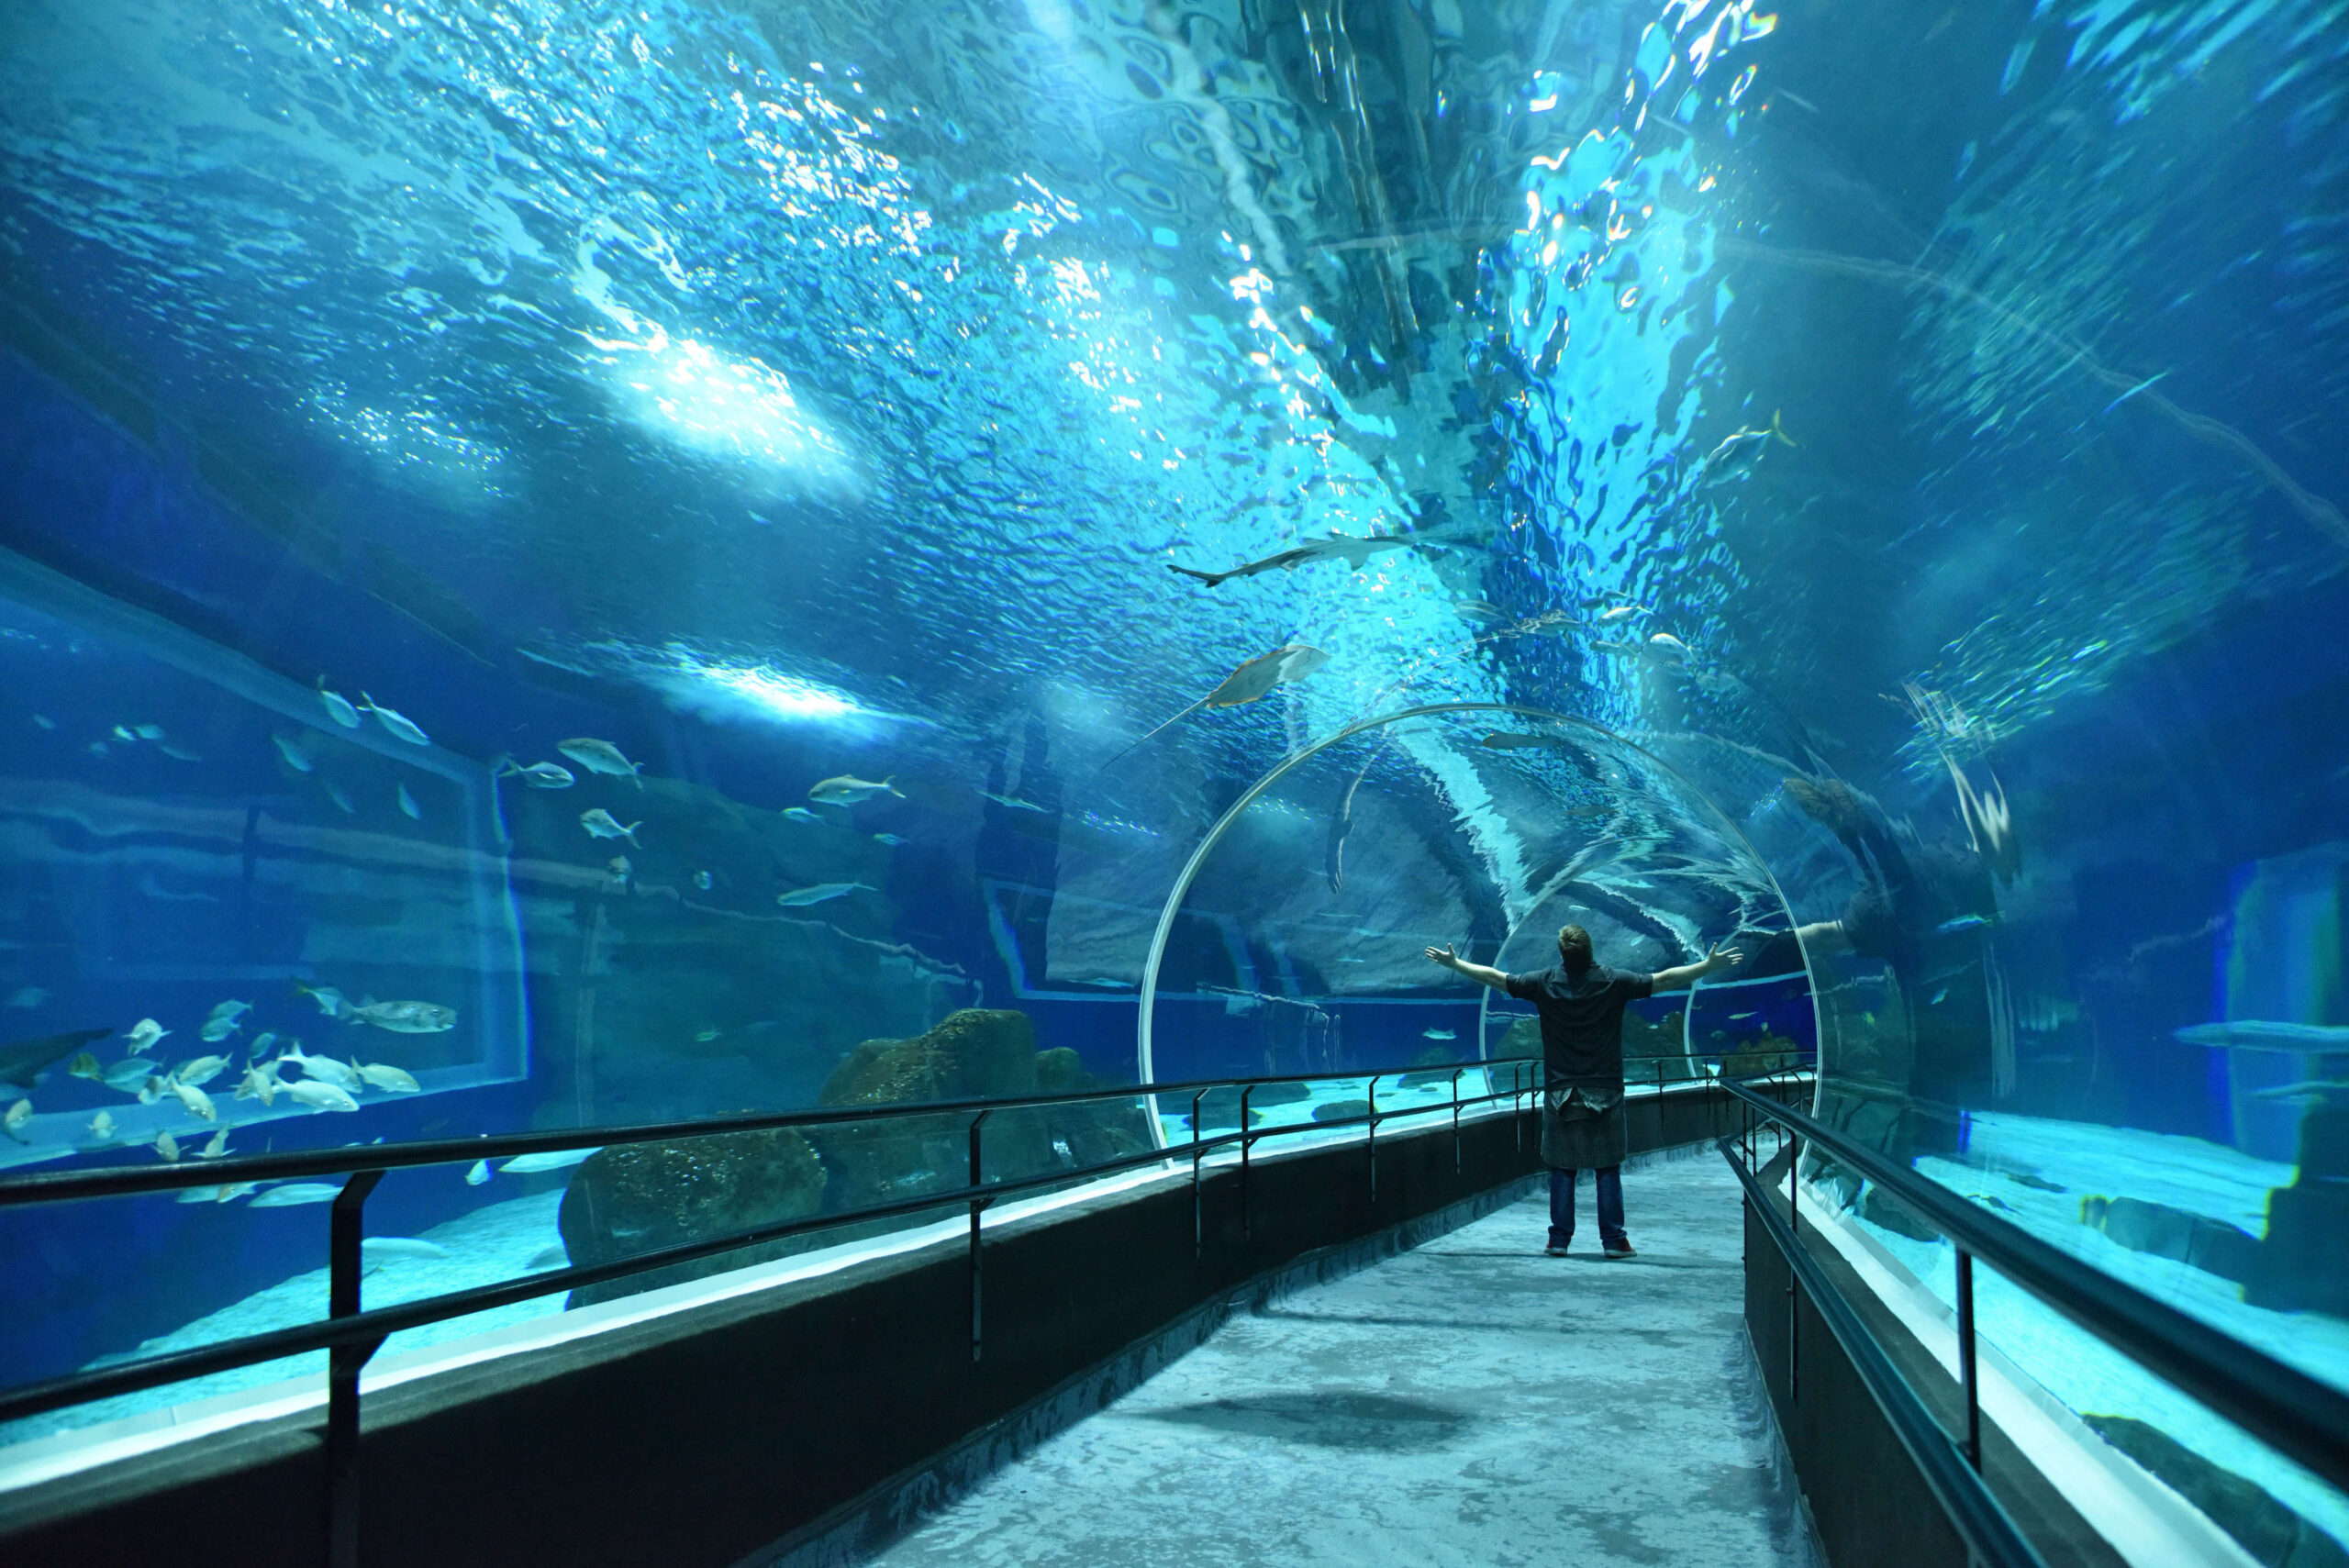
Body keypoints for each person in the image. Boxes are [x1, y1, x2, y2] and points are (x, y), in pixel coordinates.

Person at [1425, 925, 1741, 1258]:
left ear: (1562, 953)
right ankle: (1614, 1241)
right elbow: (1662, 980)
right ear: (1590, 949)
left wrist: (1456, 964)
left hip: (1560, 1091)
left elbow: (1497, 978)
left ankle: (1558, 1240)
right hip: (1606, 1089)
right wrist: (1708, 966)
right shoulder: (1613, 981)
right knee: (1607, 1168)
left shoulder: (1544, 982)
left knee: (1562, 1167)